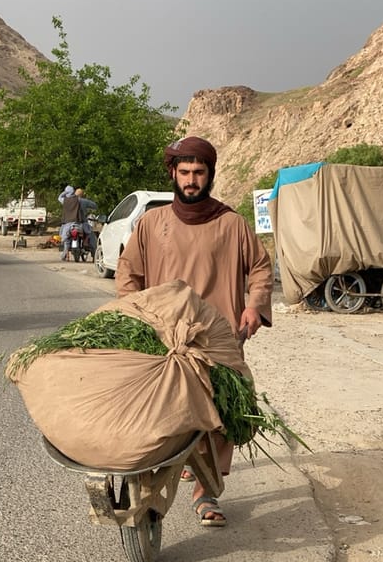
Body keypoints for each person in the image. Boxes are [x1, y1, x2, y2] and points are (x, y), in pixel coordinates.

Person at [115, 136, 273, 526]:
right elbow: (128, 273)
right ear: (173, 173)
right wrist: (133, 313)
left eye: (198, 173)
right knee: (163, 411)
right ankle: (168, 467)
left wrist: (254, 306)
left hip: (218, 336)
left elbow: (260, 269)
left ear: (209, 175)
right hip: (164, 335)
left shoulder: (232, 224)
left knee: (223, 411)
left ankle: (207, 492)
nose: (191, 180)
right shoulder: (152, 224)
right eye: (184, 172)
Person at [75, 188, 98, 257]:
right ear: (82, 195)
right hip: (82, 223)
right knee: (91, 235)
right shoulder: (84, 201)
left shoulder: (69, 201)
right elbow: (94, 205)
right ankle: (94, 253)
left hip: (71, 224)